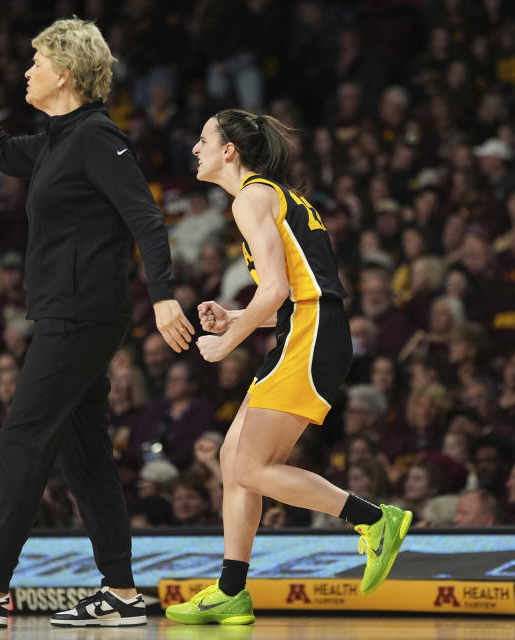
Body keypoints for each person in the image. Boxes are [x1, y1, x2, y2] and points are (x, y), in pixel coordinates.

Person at [0, 12, 192, 630]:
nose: (25, 70)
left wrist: (165, 296)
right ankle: (120, 593)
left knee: (18, 440)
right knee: (84, 455)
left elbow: (145, 216)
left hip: (82, 316)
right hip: (72, 317)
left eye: (35, 62)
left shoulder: (96, 136)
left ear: (64, 74)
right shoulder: (55, 142)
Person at [165, 109, 411, 626]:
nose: (194, 148)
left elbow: (278, 290)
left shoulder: (252, 197)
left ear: (228, 150)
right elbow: (291, 289)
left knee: (251, 467)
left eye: (203, 139)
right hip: (306, 326)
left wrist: (230, 340)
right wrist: (234, 317)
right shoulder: (271, 195)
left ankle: (374, 519)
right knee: (235, 463)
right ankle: (231, 591)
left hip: (311, 331)